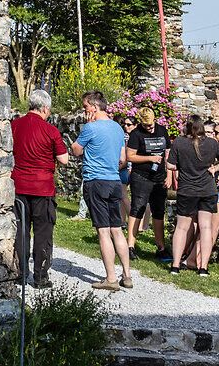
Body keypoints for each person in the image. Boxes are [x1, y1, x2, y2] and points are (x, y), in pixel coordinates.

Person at [10, 87, 71, 288]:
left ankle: (20, 273)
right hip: (42, 188)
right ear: (45, 108)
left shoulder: (14, 125)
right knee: (43, 232)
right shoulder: (50, 130)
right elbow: (64, 160)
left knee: (21, 230)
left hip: (19, 185)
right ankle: (40, 277)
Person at [70, 90, 132, 291]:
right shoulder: (117, 128)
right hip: (114, 181)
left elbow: (76, 150)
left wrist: (87, 128)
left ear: (94, 108)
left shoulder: (91, 127)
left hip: (96, 181)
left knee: (103, 231)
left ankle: (111, 278)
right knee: (117, 229)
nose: (84, 111)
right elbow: (123, 159)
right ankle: (127, 275)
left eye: (86, 107)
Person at [166, 116, 219, 275]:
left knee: (182, 228)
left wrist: (181, 166)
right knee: (206, 228)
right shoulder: (211, 143)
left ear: (188, 128)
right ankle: (203, 267)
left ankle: (175, 265)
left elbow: (170, 165)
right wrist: (215, 168)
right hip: (207, 190)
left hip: (187, 190)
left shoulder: (179, 142)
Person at [124, 106, 171, 262]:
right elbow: (130, 156)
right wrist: (149, 158)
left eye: (151, 125)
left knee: (158, 211)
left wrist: (169, 175)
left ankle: (161, 247)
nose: (150, 129)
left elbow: (168, 154)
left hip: (160, 177)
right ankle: (130, 246)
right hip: (141, 176)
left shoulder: (162, 131)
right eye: (146, 126)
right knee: (138, 208)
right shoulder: (136, 134)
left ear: (155, 120)